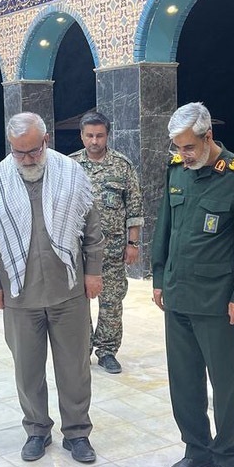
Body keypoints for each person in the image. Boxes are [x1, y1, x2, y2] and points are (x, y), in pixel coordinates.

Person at [0, 112, 104, 464]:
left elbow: (92, 229)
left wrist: (93, 272)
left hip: (68, 292)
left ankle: (77, 433)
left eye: (33, 151)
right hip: (19, 295)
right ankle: (36, 430)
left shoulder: (70, 174)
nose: (27, 159)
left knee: (75, 368)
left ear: (46, 141)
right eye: (19, 152)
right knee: (27, 370)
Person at [151, 102, 234, 467]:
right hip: (178, 294)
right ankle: (196, 449)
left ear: (208, 136)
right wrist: (159, 276)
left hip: (218, 300)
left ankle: (228, 456)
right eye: (178, 147)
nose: (183, 154)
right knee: (183, 380)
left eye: (189, 147)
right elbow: (164, 226)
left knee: (225, 382)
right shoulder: (176, 171)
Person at [70, 112, 143, 374]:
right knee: (79, 303)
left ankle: (107, 351)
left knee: (112, 303)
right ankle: (82, 348)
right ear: (81, 136)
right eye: (89, 135)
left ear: (107, 135)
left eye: (99, 135)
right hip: (78, 251)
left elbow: (134, 206)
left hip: (113, 250)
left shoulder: (122, 165)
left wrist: (133, 243)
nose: (94, 141)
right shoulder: (70, 165)